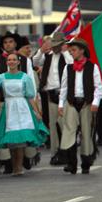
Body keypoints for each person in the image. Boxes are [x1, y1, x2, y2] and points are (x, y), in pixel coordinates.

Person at [0, 53, 49, 176]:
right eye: (9, 60)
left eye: (13, 60)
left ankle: (19, 166)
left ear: (18, 62)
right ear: (7, 62)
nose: (11, 62)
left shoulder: (25, 77)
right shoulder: (1, 77)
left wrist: (37, 112)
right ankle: (14, 166)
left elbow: (30, 96)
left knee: (22, 139)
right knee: (12, 139)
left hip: (23, 108)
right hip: (9, 108)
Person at [0, 31, 37, 173]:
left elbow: (31, 82)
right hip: (3, 101)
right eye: (5, 42)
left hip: (22, 102)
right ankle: (7, 162)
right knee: (7, 132)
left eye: (10, 42)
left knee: (22, 132)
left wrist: (35, 103)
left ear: (15, 44)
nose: (8, 44)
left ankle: (23, 160)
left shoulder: (25, 60)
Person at [58, 38, 102, 175]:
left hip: (86, 103)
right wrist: (61, 104)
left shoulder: (92, 67)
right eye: (70, 50)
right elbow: (64, 87)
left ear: (82, 50)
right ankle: (71, 163)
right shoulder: (68, 68)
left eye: (74, 50)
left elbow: (98, 86)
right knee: (69, 132)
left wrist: (95, 102)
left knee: (86, 133)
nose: (71, 53)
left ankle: (86, 162)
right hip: (71, 103)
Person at [32, 32, 72, 165]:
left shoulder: (67, 56)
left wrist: (65, 51)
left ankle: (67, 152)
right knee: (53, 125)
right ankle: (55, 153)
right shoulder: (48, 56)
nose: (54, 47)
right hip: (51, 93)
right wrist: (40, 51)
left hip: (64, 94)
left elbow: (71, 65)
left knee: (65, 124)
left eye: (57, 45)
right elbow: (34, 62)